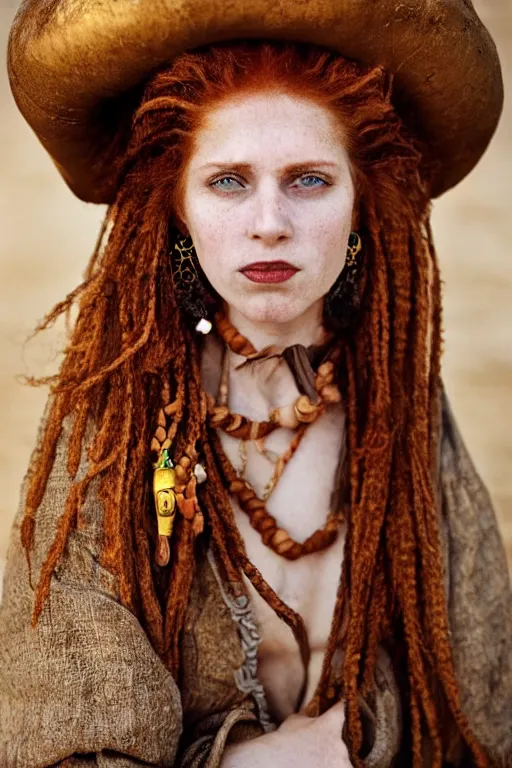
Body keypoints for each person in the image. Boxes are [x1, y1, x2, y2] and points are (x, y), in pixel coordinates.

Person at [0, 1, 511, 767]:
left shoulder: (397, 405)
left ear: (360, 206)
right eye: (228, 182)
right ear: (175, 209)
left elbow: (480, 707)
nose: (269, 221)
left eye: (309, 180)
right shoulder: (123, 418)